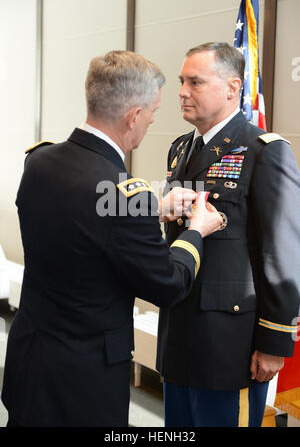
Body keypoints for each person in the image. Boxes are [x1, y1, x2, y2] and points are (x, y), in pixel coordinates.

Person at [1, 50, 222, 427]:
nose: (151, 120)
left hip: (30, 362)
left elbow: (79, 215)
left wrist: (151, 207)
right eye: (151, 113)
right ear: (133, 116)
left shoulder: (39, 161)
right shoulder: (123, 195)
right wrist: (197, 230)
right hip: (84, 383)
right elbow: (168, 284)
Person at [156, 42, 300, 427]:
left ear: (233, 88)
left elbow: (282, 255)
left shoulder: (263, 150)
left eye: (196, 82)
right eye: (182, 82)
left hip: (229, 343)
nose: (183, 92)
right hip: (180, 333)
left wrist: (274, 344)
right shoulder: (181, 149)